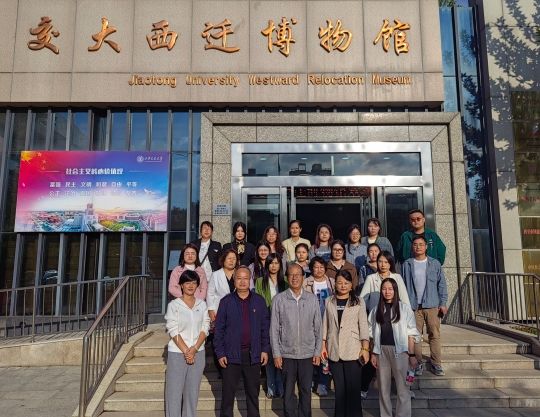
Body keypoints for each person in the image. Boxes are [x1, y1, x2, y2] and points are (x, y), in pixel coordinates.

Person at [214, 266, 270, 417]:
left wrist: (264, 349)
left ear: (250, 280)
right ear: (234, 280)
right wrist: (220, 353)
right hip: (230, 355)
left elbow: (265, 328)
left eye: (246, 278)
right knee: (227, 395)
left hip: (253, 355)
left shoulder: (259, 301)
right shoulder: (226, 302)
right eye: (239, 278)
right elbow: (219, 330)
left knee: (253, 394)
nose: (243, 281)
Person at [270, 263, 322, 417]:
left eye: (298, 275)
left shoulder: (312, 299)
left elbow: (318, 328)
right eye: (291, 275)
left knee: (306, 390)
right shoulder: (279, 299)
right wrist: (276, 354)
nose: (294, 278)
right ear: (287, 277)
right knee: (288, 392)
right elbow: (274, 329)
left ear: (303, 277)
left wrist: (317, 351)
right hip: (287, 354)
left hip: (307, 354)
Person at [321, 269, 370, 417]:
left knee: (353, 390)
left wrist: (365, 348)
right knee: (339, 391)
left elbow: (363, 325)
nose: (343, 286)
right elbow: (325, 325)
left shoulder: (358, 301)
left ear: (351, 285)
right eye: (340, 282)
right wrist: (323, 346)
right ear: (335, 284)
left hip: (353, 350)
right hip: (334, 349)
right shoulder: (328, 301)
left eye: (346, 283)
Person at [369, 278, 420, 417]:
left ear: (395, 290)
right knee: (383, 388)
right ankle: (385, 414)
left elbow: (411, 333)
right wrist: (373, 353)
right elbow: (371, 333)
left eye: (390, 289)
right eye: (384, 289)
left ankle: (402, 414)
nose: (387, 292)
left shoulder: (404, 309)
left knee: (403, 388)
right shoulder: (376, 310)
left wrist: (412, 355)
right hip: (381, 351)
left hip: (401, 352)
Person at [165, 270, 210, 417]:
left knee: (192, 393)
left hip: (198, 352)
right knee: (174, 393)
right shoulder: (174, 305)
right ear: (181, 285)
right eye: (187, 282)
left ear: (197, 285)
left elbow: (205, 327)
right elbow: (173, 330)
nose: (190, 285)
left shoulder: (202, 305)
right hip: (177, 353)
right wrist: (186, 351)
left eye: (194, 283)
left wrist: (194, 349)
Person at [401, 235, 448, 377]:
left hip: (432, 305)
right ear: (412, 247)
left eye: (421, 244)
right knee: (415, 336)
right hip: (413, 306)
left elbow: (442, 284)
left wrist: (443, 303)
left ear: (426, 247)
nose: (418, 247)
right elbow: (402, 286)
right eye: (415, 244)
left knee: (434, 334)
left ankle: (436, 363)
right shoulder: (407, 264)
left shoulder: (434, 263)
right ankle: (418, 363)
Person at [255, 253, 288, 398]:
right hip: (267, 320)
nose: (273, 266)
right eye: (271, 263)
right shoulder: (260, 281)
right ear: (267, 265)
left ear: (280, 265)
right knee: (269, 354)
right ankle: (271, 386)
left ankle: (280, 386)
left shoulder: (285, 281)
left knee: (281, 355)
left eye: (276, 263)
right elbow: (258, 301)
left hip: (284, 322)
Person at [303, 256, 335, 397]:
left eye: (322, 267)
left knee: (325, 354)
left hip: (328, 322)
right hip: (310, 323)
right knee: (311, 353)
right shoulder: (306, 283)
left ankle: (322, 384)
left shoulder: (332, 282)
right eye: (316, 267)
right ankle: (310, 381)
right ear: (311, 269)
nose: (319, 270)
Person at [206, 249, 240, 322]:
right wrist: (210, 309)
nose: (231, 261)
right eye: (229, 258)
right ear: (224, 259)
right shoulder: (215, 275)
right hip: (219, 309)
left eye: (234, 259)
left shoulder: (239, 274)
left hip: (237, 309)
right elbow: (210, 293)